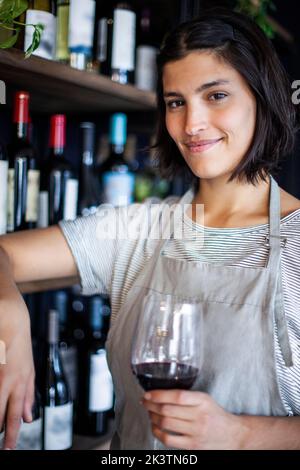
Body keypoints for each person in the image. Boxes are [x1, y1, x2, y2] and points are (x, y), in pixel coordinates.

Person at [1, 7, 300, 450]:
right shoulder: (137, 231)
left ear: (263, 97)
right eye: (176, 102)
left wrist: (242, 435)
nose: (191, 124)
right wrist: (10, 314)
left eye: (215, 95)